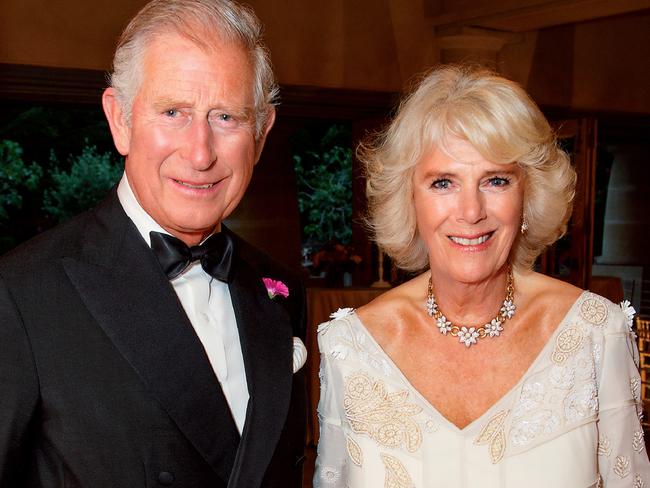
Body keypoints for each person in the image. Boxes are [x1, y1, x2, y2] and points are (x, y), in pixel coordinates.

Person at [0, 0, 307, 486]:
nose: (200, 152)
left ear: (262, 133)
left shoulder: (279, 293)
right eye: (173, 112)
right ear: (120, 119)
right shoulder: (20, 293)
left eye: (226, 117)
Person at [314, 65, 649, 487]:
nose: (471, 212)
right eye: (442, 183)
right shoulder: (352, 348)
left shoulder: (596, 335)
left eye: (495, 180)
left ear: (527, 195)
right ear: (409, 199)